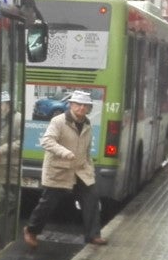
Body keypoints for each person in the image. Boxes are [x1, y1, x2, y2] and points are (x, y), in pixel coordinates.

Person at [22, 88, 106, 248]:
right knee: (48, 203)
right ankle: (31, 230)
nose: (81, 108)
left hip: (81, 170)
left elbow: (86, 150)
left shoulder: (87, 123)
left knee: (92, 198)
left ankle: (93, 235)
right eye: (78, 105)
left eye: (85, 106)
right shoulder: (59, 121)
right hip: (60, 169)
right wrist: (64, 152)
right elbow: (46, 141)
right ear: (71, 105)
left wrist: (89, 167)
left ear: (89, 108)